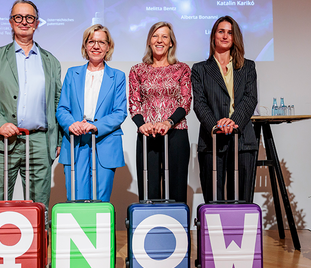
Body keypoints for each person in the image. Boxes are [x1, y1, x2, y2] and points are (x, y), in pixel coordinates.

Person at [0, 0, 61, 268]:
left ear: (37, 22)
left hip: (38, 140)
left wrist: (57, 139)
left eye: (30, 17)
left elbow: (58, 104)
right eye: (18, 17)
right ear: (10, 22)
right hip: (4, 142)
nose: (24, 22)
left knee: (39, 209)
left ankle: (40, 266)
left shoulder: (50, 60)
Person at [191, 15, 258, 204]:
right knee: (214, 202)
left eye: (230, 32)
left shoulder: (248, 67)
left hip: (242, 139)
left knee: (242, 200)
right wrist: (216, 125)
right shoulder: (200, 69)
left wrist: (232, 122)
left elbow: (250, 99)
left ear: (235, 37)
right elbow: (200, 103)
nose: (225, 36)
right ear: (213, 36)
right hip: (211, 140)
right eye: (221, 31)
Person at [56, 24, 127, 202]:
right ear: (85, 46)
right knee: (75, 198)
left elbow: (120, 112)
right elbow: (62, 108)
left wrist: (95, 126)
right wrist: (71, 124)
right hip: (75, 141)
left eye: (101, 42)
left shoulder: (117, 76)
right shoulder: (72, 74)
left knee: (100, 200)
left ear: (108, 46)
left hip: (105, 143)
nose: (96, 46)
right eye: (91, 41)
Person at [129, 21, 192, 203]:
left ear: (171, 43)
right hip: (148, 134)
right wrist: (143, 125)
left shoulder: (182, 69)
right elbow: (134, 103)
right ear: (149, 41)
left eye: (165, 36)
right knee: (150, 191)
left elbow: (185, 102)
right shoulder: (137, 70)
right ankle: (149, 230)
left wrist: (168, 122)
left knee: (176, 189)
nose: (159, 40)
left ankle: (178, 231)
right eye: (155, 36)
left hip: (176, 133)